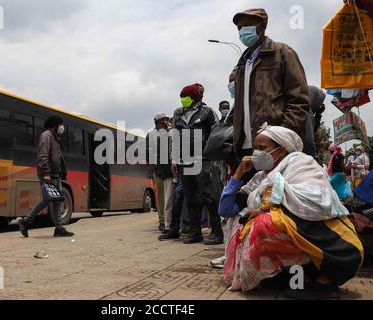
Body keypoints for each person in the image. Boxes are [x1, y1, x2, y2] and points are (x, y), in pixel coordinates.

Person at [218, 125, 363, 299]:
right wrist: (238, 173)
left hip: (328, 240)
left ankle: (322, 281)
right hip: (295, 230)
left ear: (281, 150)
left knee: (264, 223)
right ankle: (292, 274)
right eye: (255, 148)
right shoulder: (261, 178)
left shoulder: (302, 164)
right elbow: (226, 209)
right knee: (242, 220)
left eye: (262, 148)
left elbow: (314, 202)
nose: (256, 153)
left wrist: (265, 208)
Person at [231, 8, 310, 165]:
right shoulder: (242, 64)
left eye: (247, 25)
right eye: (239, 28)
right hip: (246, 148)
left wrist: (280, 137)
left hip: (275, 148)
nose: (242, 31)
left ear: (262, 26)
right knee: (252, 190)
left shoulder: (282, 53)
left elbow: (299, 100)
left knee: (276, 189)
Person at [170, 83, 223, 245]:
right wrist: (174, 159)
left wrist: (214, 158)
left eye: (185, 97)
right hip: (185, 162)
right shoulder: (179, 115)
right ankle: (194, 233)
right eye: (181, 97)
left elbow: (216, 135)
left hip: (204, 160)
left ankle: (216, 232)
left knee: (208, 196)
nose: (182, 100)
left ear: (193, 97)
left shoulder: (208, 113)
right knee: (190, 198)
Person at [18, 116, 74, 238]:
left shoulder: (54, 138)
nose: (62, 127)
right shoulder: (46, 136)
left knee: (54, 200)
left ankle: (57, 228)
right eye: (60, 124)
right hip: (49, 174)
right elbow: (43, 156)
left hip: (56, 174)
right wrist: (46, 173)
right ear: (55, 126)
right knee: (50, 200)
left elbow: (57, 157)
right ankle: (26, 221)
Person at [147, 113, 174, 233]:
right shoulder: (151, 135)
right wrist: (156, 168)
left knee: (169, 197)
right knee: (160, 198)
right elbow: (149, 153)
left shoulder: (169, 132)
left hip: (168, 171)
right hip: (158, 171)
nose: (167, 121)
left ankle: (170, 220)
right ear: (158, 122)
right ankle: (162, 221)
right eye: (164, 120)